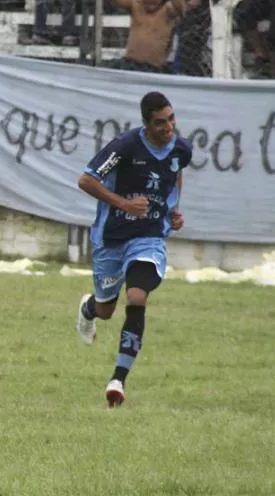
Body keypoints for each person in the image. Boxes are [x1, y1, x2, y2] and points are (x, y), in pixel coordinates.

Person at [75, 92, 190, 407]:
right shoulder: (125, 146)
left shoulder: (181, 148)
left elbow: (175, 173)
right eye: (160, 123)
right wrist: (123, 203)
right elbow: (86, 180)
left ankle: (118, 380)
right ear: (146, 124)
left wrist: (173, 210)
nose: (168, 128)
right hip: (111, 237)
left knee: (137, 296)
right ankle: (88, 310)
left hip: (149, 236)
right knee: (106, 311)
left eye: (171, 119)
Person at [103, 0, 184, 73]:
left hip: (153, 67)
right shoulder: (136, 4)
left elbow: (181, 9)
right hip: (129, 63)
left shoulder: (168, 9)